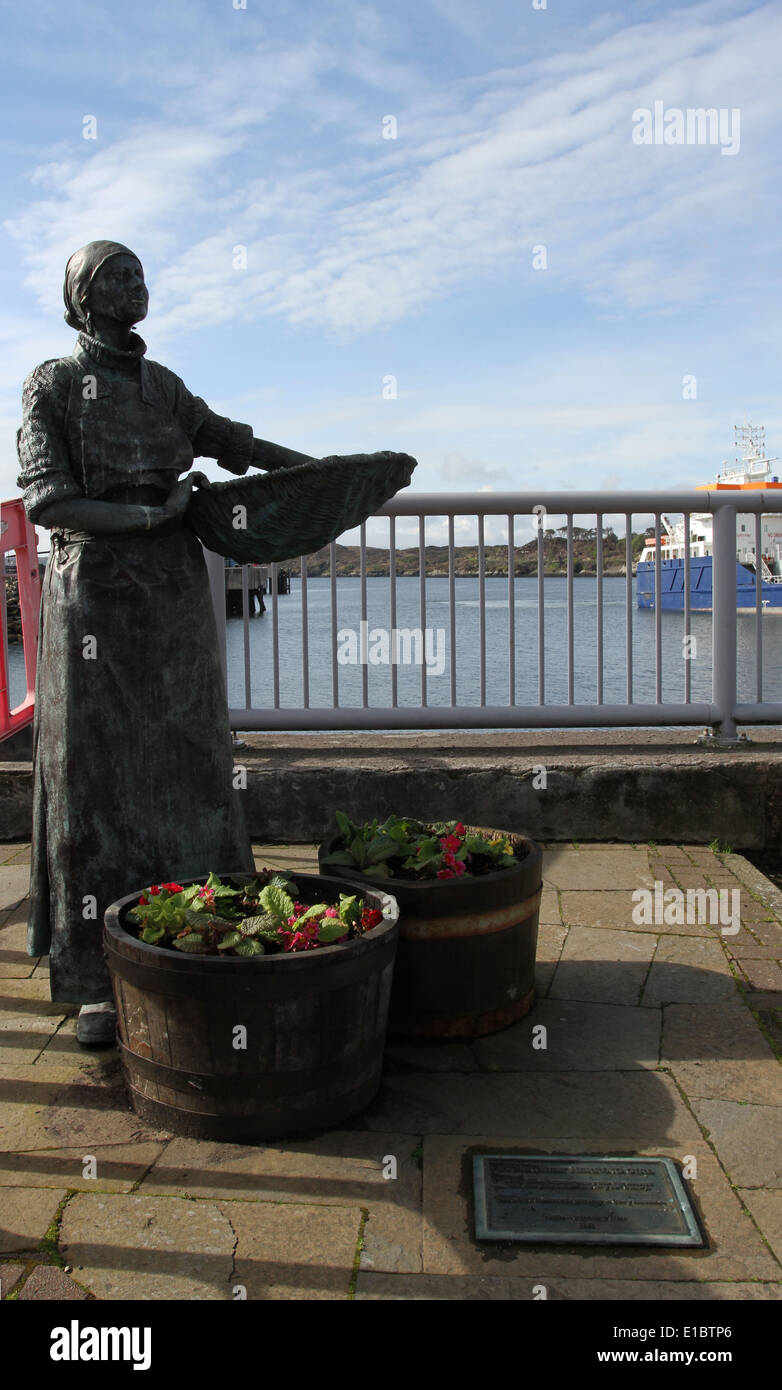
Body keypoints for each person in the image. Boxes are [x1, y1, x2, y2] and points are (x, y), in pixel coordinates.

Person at [16, 239, 313, 1044]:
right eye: (117, 274)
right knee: (96, 772)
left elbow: (230, 441)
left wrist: (322, 471)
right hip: (96, 598)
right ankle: (97, 979)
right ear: (82, 297)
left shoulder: (162, 386)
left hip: (173, 591)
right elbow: (47, 501)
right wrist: (150, 515)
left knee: (190, 757)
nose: (135, 284)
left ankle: (212, 926)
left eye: (140, 272)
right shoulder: (51, 384)